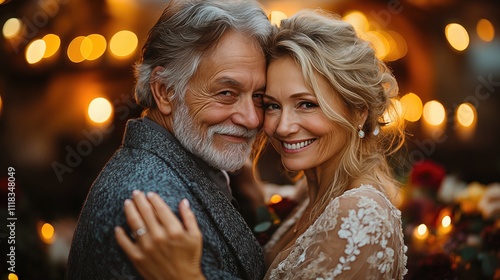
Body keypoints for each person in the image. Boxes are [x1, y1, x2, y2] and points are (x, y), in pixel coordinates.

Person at [115, 8, 409, 280]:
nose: (282, 126)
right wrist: (252, 201)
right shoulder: (310, 196)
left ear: (358, 112)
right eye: (270, 105)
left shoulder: (360, 212)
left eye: (306, 104)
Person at [65, 0, 273, 279]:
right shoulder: (155, 207)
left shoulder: (192, 165)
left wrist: (259, 207)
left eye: (258, 96)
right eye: (226, 93)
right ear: (164, 91)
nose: (251, 119)